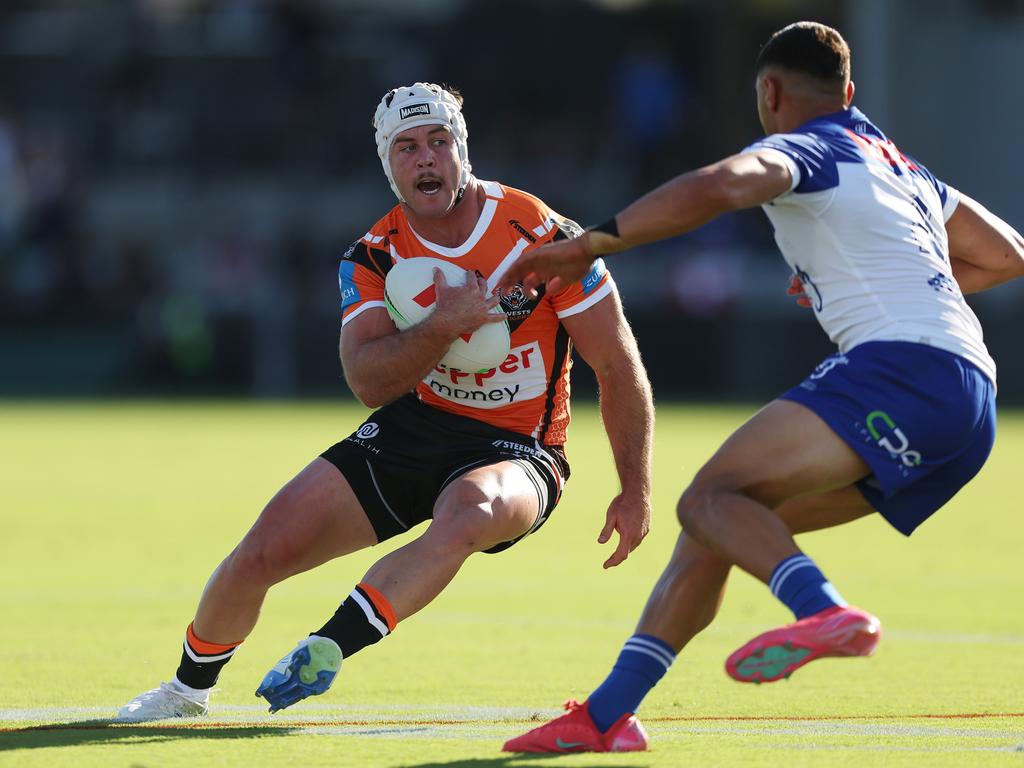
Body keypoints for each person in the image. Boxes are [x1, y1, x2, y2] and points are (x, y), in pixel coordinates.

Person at [499, 22, 1024, 753]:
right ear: (849, 93)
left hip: (905, 371)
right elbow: (1008, 254)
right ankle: (606, 715)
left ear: (769, 93)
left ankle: (823, 610)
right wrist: (862, 280)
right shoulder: (899, 165)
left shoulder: (805, 147)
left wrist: (587, 243)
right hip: (972, 406)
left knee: (706, 497)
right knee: (720, 523)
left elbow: (720, 186)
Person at [117, 83, 655, 721]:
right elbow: (369, 382)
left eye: (438, 141)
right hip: (414, 426)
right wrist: (442, 324)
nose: (425, 158)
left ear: (462, 149)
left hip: (520, 448)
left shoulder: (544, 236)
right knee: (260, 551)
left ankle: (327, 647)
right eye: (406, 147)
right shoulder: (374, 254)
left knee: (470, 512)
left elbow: (617, 365)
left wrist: (636, 488)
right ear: (388, 164)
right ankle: (184, 692)